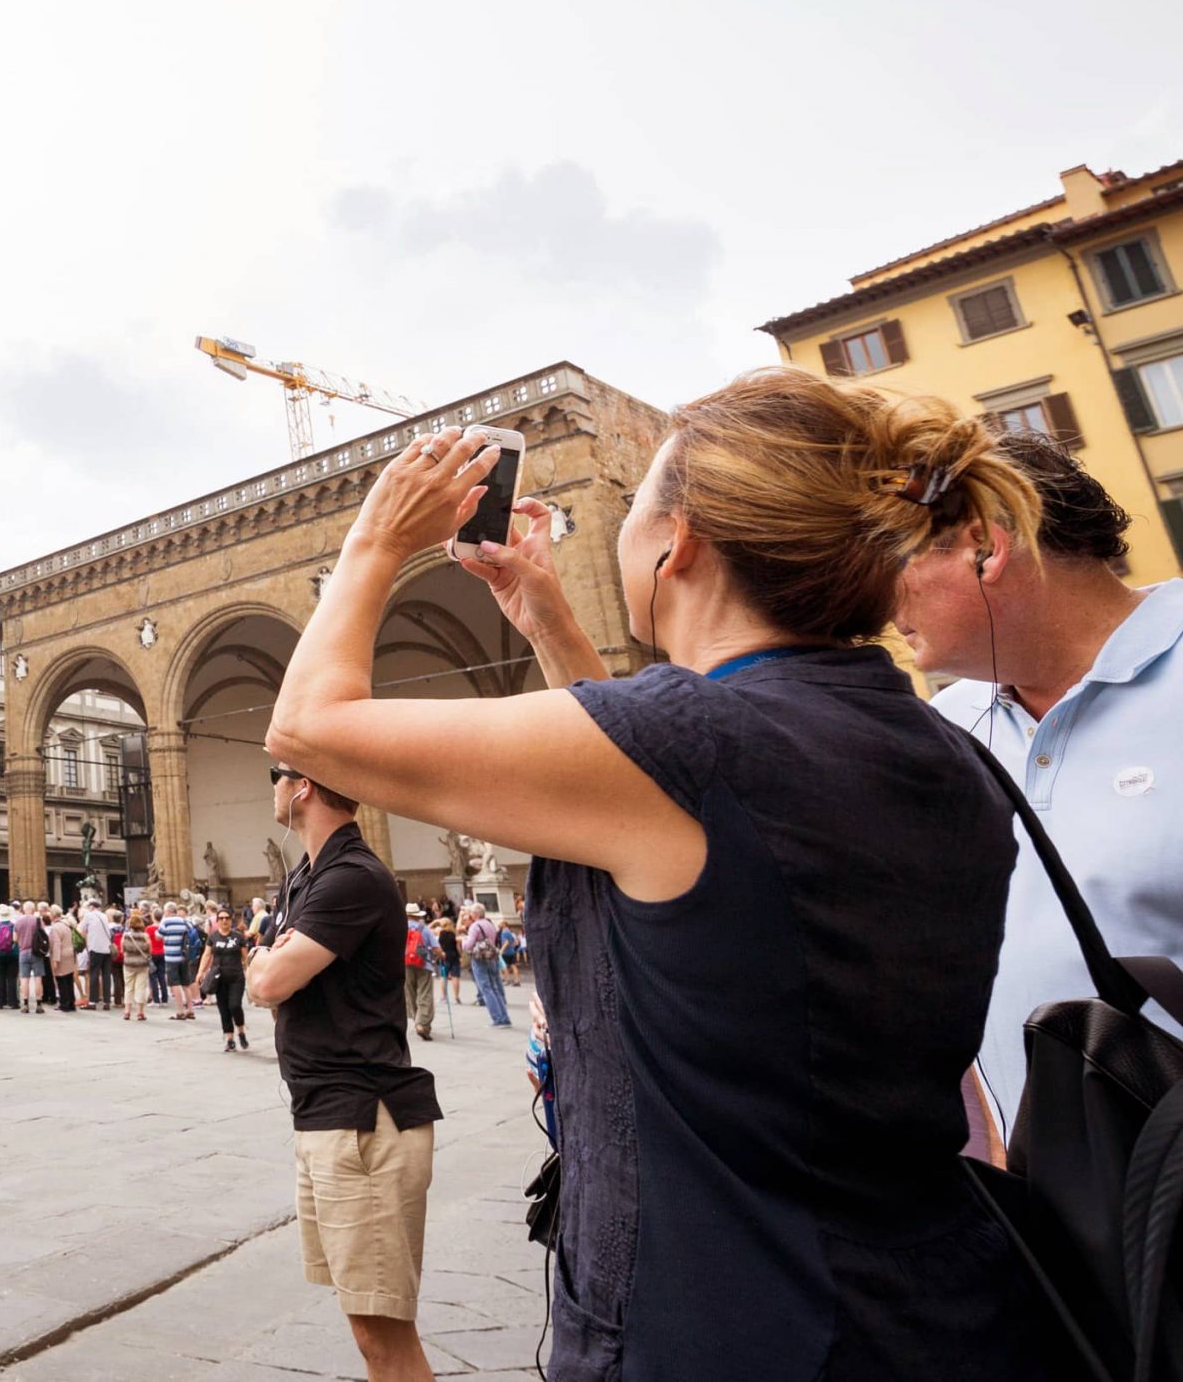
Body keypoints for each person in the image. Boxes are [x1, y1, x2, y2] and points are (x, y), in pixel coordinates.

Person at [266, 372, 1042, 1378]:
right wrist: (542, 611)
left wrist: (371, 543)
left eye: (632, 513)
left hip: (718, 1318)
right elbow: (664, 810)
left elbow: (309, 732)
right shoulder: (935, 746)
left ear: (676, 546)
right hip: (914, 1292)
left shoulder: (694, 745)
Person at [892, 427, 1183, 1137]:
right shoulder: (951, 721)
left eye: (886, 562)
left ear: (986, 548)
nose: (874, 600)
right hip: (1056, 1215)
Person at [244, 763, 441, 1382]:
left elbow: (270, 979)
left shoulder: (351, 876)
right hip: (328, 1118)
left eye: (276, 774)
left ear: (303, 785)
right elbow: (270, 965)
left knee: (382, 1335)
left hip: (363, 1122)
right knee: (367, 1326)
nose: (270, 785)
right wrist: (265, 959)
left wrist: (261, 960)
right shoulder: (307, 875)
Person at [198, 905, 251, 1051]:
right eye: (221, 918)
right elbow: (207, 955)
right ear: (217, 920)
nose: (224, 921)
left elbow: (246, 958)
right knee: (223, 1008)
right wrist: (200, 972)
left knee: (235, 1005)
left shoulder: (238, 937)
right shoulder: (213, 937)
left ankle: (241, 1031)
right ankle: (229, 1039)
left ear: (231, 919)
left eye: (226, 918)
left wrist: (251, 973)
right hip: (218, 977)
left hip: (236, 977)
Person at [458, 904, 511, 1029]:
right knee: (495, 987)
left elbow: (468, 946)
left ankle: (498, 1019)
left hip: (479, 958)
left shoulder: (475, 926)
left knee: (486, 988)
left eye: (471, 913)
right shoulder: (489, 923)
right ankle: (505, 1017)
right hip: (491, 957)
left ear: (475, 914)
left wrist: (463, 940)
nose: (470, 915)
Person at [400, 905, 435, 1042]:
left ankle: (416, 1020)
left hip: (404, 963)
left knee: (410, 993)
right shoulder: (424, 929)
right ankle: (422, 1023)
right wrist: (441, 955)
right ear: (418, 915)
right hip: (423, 964)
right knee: (424, 993)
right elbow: (436, 947)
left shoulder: (399, 928)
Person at [79, 898, 112, 1009]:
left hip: (96, 948)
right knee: (106, 975)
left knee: (94, 974)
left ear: (91, 907)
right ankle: (107, 1002)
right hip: (107, 949)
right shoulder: (104, 916)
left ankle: (93, 1002)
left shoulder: (89, 915)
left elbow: (82, 930)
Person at [120, 910, 152, 1019]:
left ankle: (127, 1011)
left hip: (128, 964)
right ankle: (140, 1012)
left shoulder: (126, 936)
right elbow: (149, 951)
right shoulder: (145, 936)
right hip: (142, 965)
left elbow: (122, 950)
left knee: (128, 987)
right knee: (141, 988)